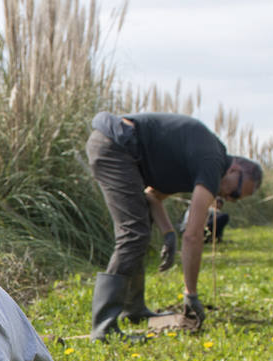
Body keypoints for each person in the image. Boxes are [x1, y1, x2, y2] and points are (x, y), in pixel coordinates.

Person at [84, 111, 262, 341]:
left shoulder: (201, 160)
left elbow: (152, 196)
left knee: (139, 228)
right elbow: (193, 235)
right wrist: (191, 294)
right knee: (134, 233)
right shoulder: (212, 164)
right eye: (235, 192)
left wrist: (168, 232)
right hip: (115, 145)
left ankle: (134, 309)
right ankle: (103, 327)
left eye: (235, 200)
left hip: (119, 148)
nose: (229, 198)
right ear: (235, 169)